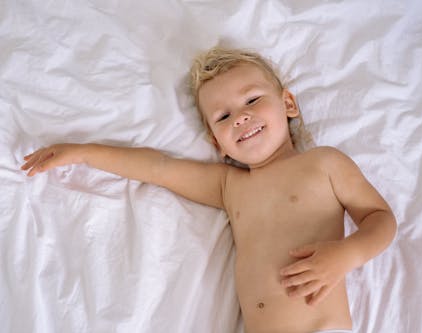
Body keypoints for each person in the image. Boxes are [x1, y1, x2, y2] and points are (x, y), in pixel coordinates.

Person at [21, 47, 397, 333]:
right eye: (223, 117)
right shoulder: (230, 185)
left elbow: (380, 218)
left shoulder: (323, 164)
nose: (241, 117)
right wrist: (84, 153)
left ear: (288, 103)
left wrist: (346, 255)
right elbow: (159, 169)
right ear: (218, 143)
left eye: (252, 100)